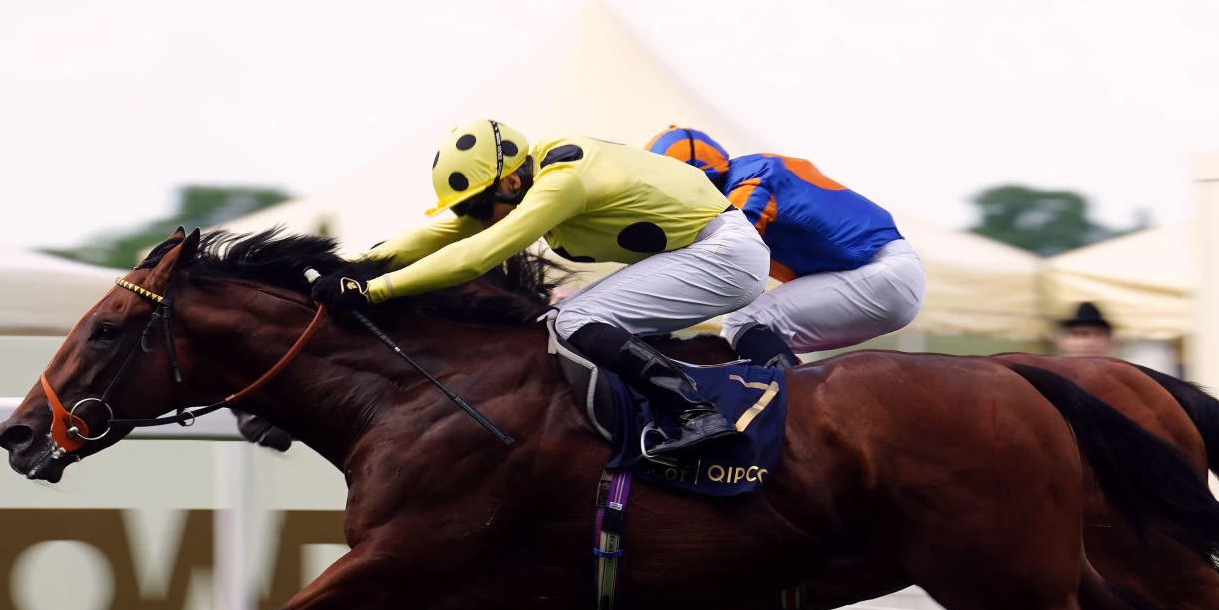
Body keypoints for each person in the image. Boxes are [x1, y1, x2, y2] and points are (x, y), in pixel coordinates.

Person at [311, 119, 770, 457]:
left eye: (477, 204)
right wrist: (349, 266)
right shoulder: (527, 174)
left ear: (510, 181)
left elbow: (476, 254)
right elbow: (441, 234)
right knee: (561, 320)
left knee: (575, 319)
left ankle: (698, 413)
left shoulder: (562, 182)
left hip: (725, 255)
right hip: (700, 250)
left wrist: (375, 291)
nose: (472, 216)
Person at [645, 127, 925, 367]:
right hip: (878, 275)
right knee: (749, 341)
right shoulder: (747, 174)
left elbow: (721, 252)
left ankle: (792, 414)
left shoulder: (751, 180)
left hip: (883, 275)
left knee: (743, 322)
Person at [1056, 300, 1135, 610]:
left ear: (1108, 339)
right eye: (1078, 333)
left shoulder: (1117, 387)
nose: (1085, 340)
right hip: (1069, 530)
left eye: (1093, 333)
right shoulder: (1037, 386)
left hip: (1102, 528)